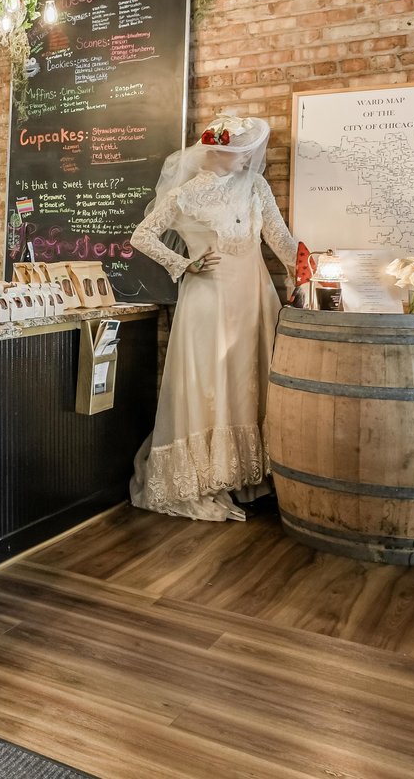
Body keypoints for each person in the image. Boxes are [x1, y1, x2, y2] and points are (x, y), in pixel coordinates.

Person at [128, 115, 297, 522]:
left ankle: (246, 477)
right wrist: (183, 263)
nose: (250, 159)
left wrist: (310, 271)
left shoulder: (255, 186)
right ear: (218, 150)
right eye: (242, 152)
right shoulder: (185, 194)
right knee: (211, 380)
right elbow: (142, 236)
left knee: (248, 378)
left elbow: (279, 238)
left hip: (254, 295)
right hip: (208, 299)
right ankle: (209, 476)